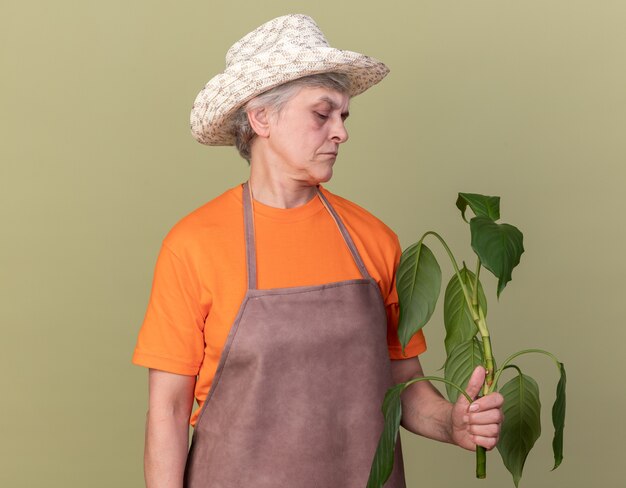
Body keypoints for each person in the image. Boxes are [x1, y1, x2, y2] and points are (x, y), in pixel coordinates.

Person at [132, 14, 504, 488]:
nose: (340, 132)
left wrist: (452, 424)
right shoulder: (194, 245)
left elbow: (401, 384)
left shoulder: (374, 240)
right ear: (261, 117)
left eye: (343, 116)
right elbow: (167, 409)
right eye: (321, 113)